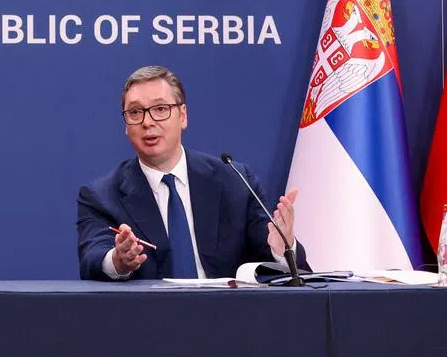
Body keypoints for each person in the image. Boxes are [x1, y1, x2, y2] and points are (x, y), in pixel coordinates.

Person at [77, 65, 308, 280]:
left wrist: (282, 248)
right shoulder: (101, 196)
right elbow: (93, 258)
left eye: (160, 109)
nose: (148, 122)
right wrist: (118, 261)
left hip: (226, 316)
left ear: (183, 116)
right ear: (127, 125)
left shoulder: (233, 181)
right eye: (136, 112)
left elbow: (276, 262)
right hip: (147, 318)